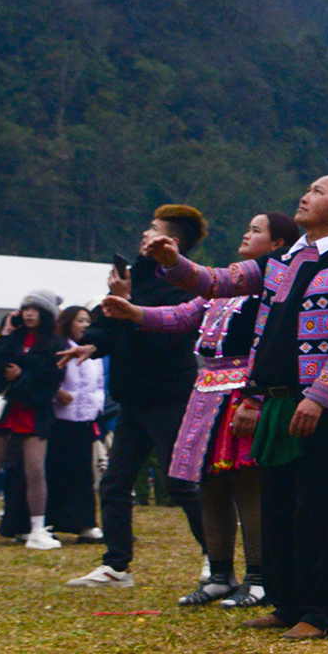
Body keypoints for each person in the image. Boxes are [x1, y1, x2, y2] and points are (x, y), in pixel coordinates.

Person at [145, 178, 328, 639]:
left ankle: (321, 612)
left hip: (317, 406)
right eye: (308, 188)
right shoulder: (280, 262)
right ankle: (286, 603)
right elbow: (218, 282)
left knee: (318, 508)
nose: (305, 195)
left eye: (318, 191)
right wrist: (174, 264)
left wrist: (318, 397)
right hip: (272, 400)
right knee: (277, 505)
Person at [102, 211, 300, 606]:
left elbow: (272, 345)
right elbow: (183, 315)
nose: (246, 234)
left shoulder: (273, 289)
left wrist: (253, 397)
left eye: (256, 230)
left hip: (242, 388)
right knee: (208, 484)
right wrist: (135, 312)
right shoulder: (224, 289)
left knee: (246, 485)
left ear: (277, 245)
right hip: (207, 390)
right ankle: (220, 573)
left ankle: (259, 578)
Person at [64, 206, 209, 588]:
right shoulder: (133, 277)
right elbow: (107, 325)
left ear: (172, 242)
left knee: (180, 482)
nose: (145, 236)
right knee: (114, 482)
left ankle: (217, 558)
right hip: (132, 397)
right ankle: (116, 565)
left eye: (154, 230)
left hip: (169, 396)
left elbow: (167, 339)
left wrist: (131, 306)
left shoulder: (186, 285)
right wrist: (90, 347)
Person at [0, 292, 65, 550]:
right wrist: (3, 333)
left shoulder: (55, 343)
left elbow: (50, 379)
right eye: (25, 308)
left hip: (33, 411)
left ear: (46, 313)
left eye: (35, 309)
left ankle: (38, 528)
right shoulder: (10, 338)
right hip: (3, 409)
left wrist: (21, 375)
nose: (29, 313)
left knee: (35, 469)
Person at [45, 306, 105, 542]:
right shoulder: (59, 347)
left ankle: (85, 523)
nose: (85, 325)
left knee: (83, 474)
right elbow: (48, 376)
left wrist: (95, 406)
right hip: (59, 420)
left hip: (84, 420)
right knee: (56, 471)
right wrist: (58, 393)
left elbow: (99, 384)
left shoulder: (93, 353)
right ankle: (50, 521)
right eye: (80, 320)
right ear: (69, 322)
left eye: (88, 321)